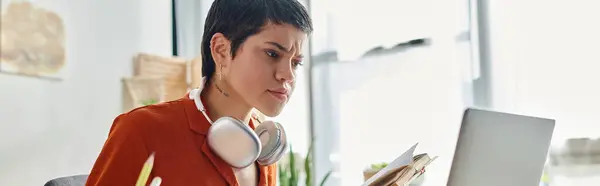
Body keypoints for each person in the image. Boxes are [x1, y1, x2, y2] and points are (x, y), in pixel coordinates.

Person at [85, 0, 312, 185]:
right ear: (221, 50)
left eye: (296, 62)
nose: (288, 75)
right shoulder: (143, 131)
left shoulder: (262, 147)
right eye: (272, 54)